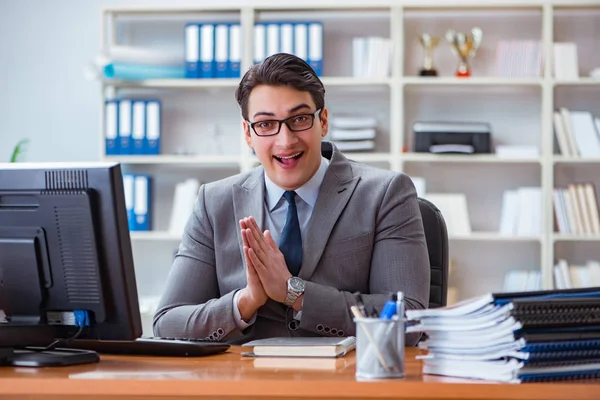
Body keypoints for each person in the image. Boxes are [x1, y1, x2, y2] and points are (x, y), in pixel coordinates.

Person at [153, 53, 430, 346]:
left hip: (346, 384)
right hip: (245, 386)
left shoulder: (386, 194)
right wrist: (245, 301)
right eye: (266, 124)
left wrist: (293, 292)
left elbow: (407, 320)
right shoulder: (214, 202)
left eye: (299, 119)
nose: (285, 141)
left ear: (322, 121)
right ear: (248, 134)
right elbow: (168, 322)